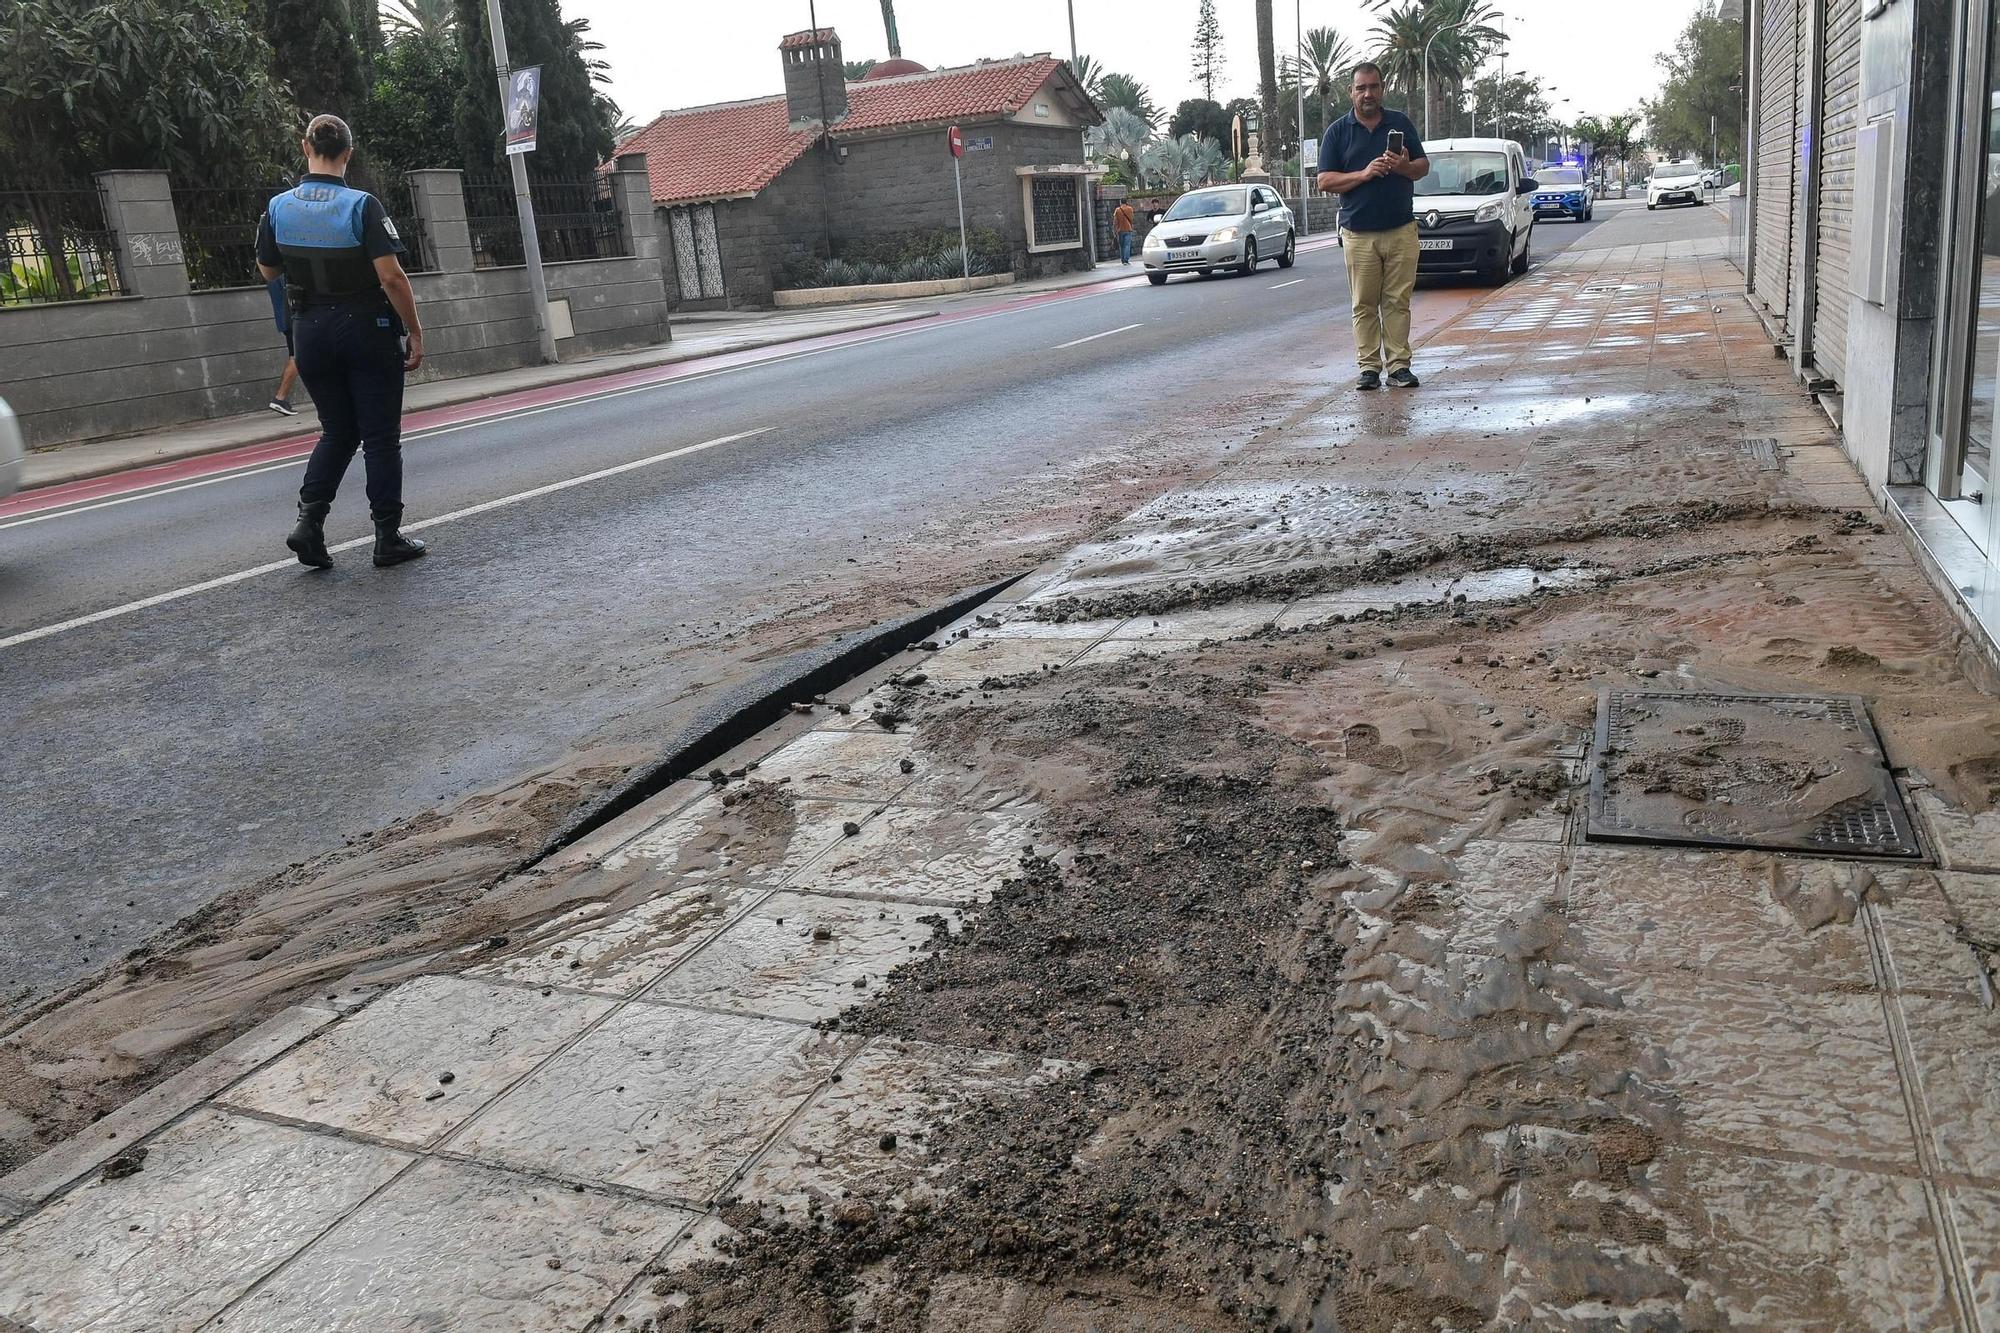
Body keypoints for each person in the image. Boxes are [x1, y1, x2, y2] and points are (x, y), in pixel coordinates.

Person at [256, 113, 428, 569]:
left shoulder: (278, 208)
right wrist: (413, 329)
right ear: (348, 154)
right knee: (379, 437)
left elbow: (268, 269)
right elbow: (391, 277)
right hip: (364, 327)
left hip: (309, 330)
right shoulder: (361, 205)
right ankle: (387, 537)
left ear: (304, 147)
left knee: (336, 431)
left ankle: (308, 524)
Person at [1316, 62, 1429, 391]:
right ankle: (1368, 369)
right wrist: (1364, 174)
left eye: (1374, 87)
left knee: (1397, 301)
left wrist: (1404, 166)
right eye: (1361, 88)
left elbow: (1422, 167)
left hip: (1400, 230)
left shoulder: (1400, 124)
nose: (1368, 94)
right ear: (1350, 92)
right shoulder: (1338, 132)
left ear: (1382, 89)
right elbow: (1324, 180)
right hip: (1358, 233)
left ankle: (1398, 367)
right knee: (1364, 304)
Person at [265, 272, 299, 416]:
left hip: (286, 320)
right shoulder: (286, 274)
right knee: (297, 356)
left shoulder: (272, 274)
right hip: (295, 320)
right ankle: (280, 398)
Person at [1112, 199, 1136, 265]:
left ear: (1120, 202)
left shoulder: (1117, 210)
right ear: (1126, 202)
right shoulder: (1130, 209)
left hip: (1120, 230)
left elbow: (1115, 221)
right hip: (1128, 229)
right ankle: (1126, 260)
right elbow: (1132, 219)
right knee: (1127, 245)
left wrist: (1114, 230)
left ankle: (1122, 260)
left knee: (1121, 246)